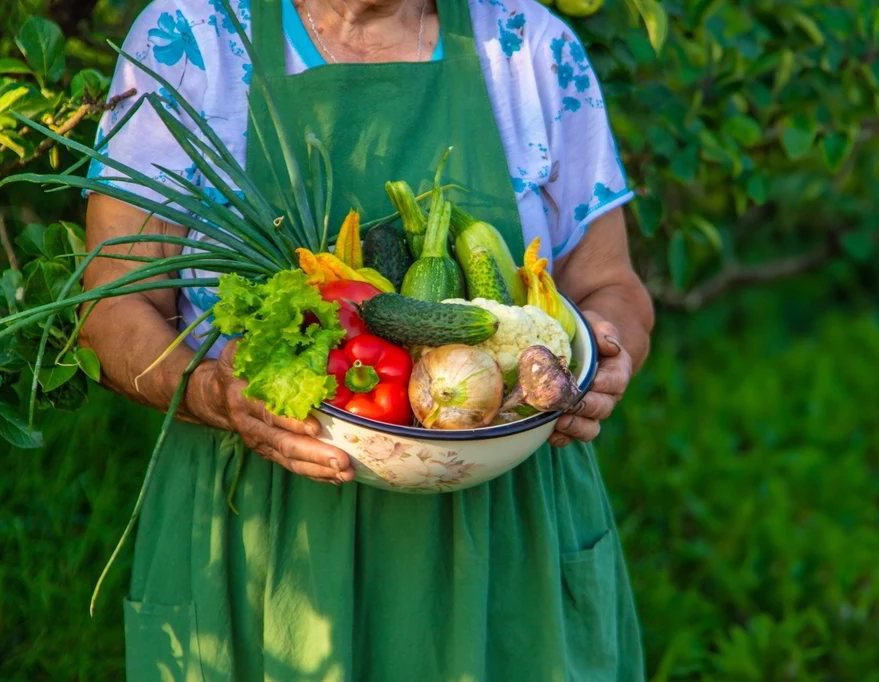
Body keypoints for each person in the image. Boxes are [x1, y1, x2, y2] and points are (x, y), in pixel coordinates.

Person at [83, 0, 655, 678]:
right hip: (269, 529)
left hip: (504, 526)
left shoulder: (529, 47)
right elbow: (112, 305)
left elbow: (610, 285)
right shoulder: (190, 39)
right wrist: (210, 390)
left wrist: (610, 353)